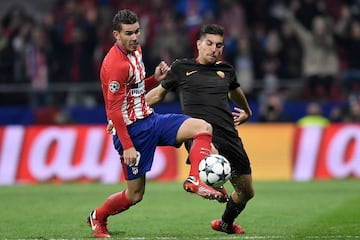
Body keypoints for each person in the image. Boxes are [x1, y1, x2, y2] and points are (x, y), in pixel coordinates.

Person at [87, 10, 225, 238]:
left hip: (152, 120)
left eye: (137, 32)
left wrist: (154, 79)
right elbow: (113, 109)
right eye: (128, 33)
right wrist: (128, 145)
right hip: (133, 133)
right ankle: (98, 217)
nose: (134, 37)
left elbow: (136, 87)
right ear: (116, 35)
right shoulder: (115, 65)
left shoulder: (136, 50)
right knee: (135, 195)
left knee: (203, 128)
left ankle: (194, 178)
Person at [146, 24, 255, 234]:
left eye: (219, 45)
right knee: (213, 159)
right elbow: (157, 95)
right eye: (209, 44)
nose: (214, 49)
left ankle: (224, 223)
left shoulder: (226, 70)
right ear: (198, 44)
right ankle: (198, 180)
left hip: (230, 136)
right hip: (200, 135)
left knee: (246, 192)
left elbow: (235, 92)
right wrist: (130, 112)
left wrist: (247, 111)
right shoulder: (181, 68)